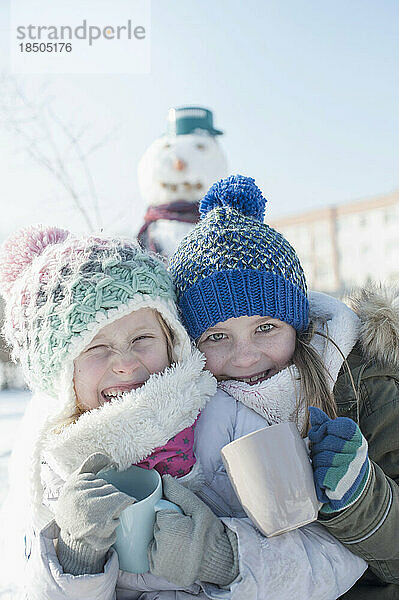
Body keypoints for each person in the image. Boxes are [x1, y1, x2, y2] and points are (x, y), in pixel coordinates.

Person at [0, 225, 365, 599]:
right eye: (96, 347)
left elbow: (335, 558)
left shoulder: (226, 414)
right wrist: (77, 560)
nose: (125, 364)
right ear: (63, 375)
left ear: (173, 339)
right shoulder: (59, 468)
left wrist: (225, 559)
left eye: (142, 338)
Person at [168, 174, 399, 600]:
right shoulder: (183, 412)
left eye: (266, 328)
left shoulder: (367, 385)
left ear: (298, 323)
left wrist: (361, 496)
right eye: (217, 336)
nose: (245, 356)